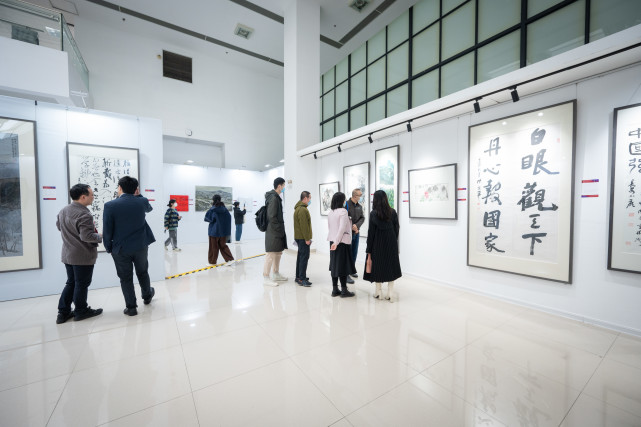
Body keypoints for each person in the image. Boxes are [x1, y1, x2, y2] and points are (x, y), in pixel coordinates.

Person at [103, 176, 156, 316]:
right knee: (143, 272)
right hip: (141, 245)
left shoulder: (110, 205)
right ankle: (147, 296)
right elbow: (149, 209)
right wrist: (139, 195)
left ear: (120, 188)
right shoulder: (142, 201)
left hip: (120, 248)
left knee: (125, 278)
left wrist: (108, 247)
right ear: (136, 189)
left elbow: (107, 229)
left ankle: (131, 307)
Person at [55, 184, 104, 324]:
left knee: (71, 282)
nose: (93, 197)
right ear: (83, 197)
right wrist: (101, 236)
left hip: (68, 254)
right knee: (81, 284)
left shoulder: (64, 210)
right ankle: (81, 311)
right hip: (81, 256)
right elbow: (87, 236)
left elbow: (59, 227)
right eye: (91, 195)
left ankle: (63, 313)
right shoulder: (84, 214)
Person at [363, 190, 402, 301]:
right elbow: (397, 228)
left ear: (375, 200)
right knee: (391, 266)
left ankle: (378, 292)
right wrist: (393, 239)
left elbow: (371, 233)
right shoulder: (393, 212)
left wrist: (369, 248)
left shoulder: (373, 214)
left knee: (378, 266)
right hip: (391, 242)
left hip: (377, 243)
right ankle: (390, 292)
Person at [327, 192, 356, 298]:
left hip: (332, 241)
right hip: (341, 242)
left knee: (334, 265)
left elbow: (330, 228)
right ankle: (344, 290)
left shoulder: (331, 212)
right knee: (343, 266)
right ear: (341, 201)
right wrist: (337, 242)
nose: (345, 201)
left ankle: (335, 290)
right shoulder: (343, 211)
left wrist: (334, 241)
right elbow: (342, 228)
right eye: (344, 199)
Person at [263, 177, 288, 286]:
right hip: (273, 231)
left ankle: (276, 273)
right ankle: (266, 277)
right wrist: (278, 228)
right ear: (279, 186)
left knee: (278, 253)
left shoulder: (276, 197)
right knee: (270, 254)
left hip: (277, 231)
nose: (284, 188)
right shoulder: (273, 198)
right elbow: (272, 216)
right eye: (283, 186)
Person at [204, 194, 235, 265]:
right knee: (223, 246)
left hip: (214, 231)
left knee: (213, 247)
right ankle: (230, 259)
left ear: (213, 200)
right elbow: (229, 219)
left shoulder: (212, 209)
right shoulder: (225, 209)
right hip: (223, 232)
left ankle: (212, 262)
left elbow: (207, 218)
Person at [293, 191, 312, 287]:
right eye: (309, 198)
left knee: (300, 257)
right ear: (305, 198)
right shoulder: (302, 210)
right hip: (303, 238)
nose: (310, 200)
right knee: (304, 258)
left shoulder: (298, 208)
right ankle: (302, 278)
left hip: (299, 237)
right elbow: (304, 226)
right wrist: (307, 238)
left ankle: (298, 276)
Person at [346, 188, 365, 285]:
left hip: (356, 233)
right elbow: (344, 219)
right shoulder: (346, 205)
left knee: (354, 252)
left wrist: (356, 226)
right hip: (347, 233)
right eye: (359, 195)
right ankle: (346, 274)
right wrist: (352, 226)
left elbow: (362, 218)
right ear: (354, 196)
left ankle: (352, 270)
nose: (361, 197)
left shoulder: (359, 206)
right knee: (347, 253)